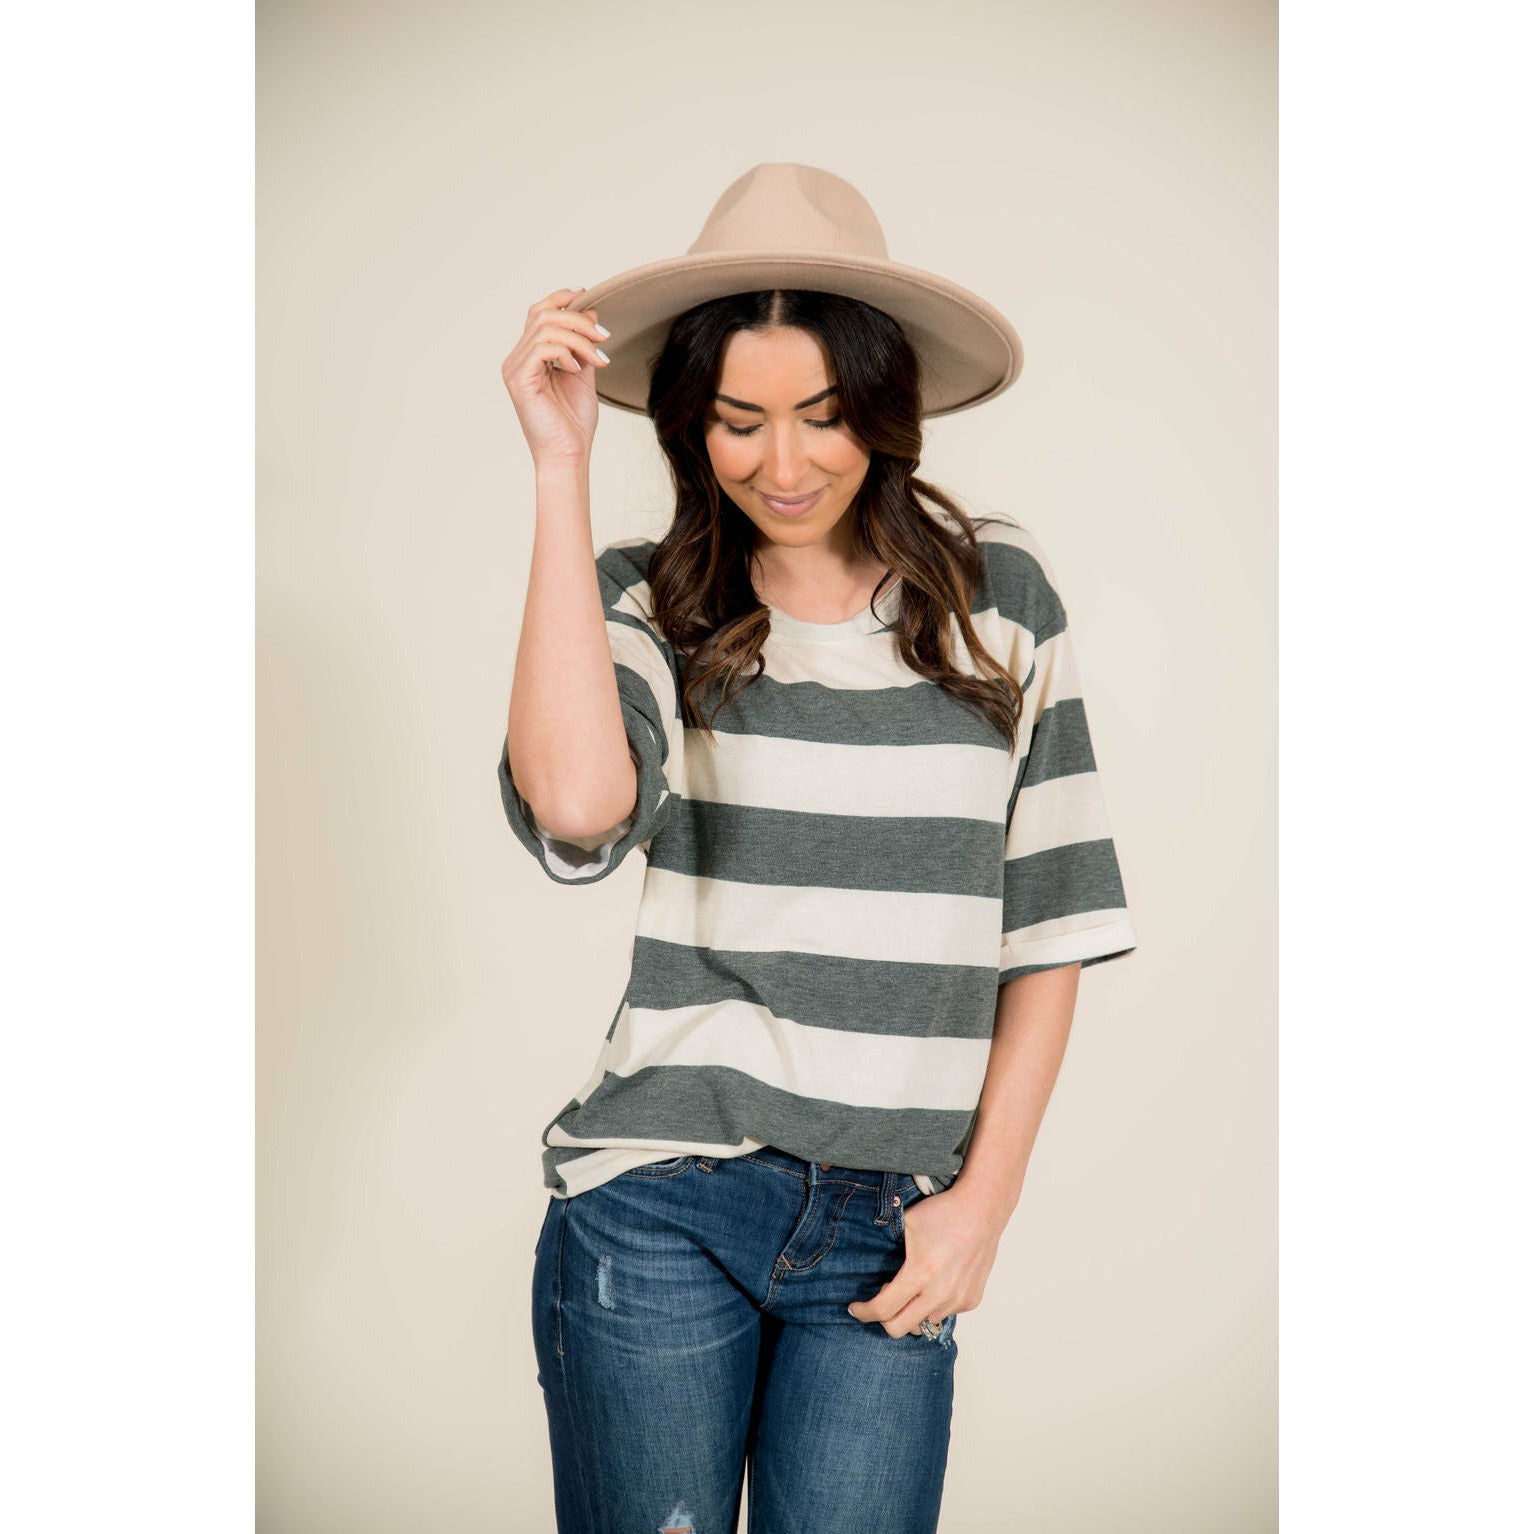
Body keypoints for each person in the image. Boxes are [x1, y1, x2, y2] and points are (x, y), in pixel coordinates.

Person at [496, 164, 1138, 1534]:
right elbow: (578, 804)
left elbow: (1050, 924)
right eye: (738, 422)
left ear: (883, 412)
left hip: (892, 1221)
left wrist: (984, 1203)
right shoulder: (649, 599)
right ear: (691, 424)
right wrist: (559, 468)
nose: (781, 467)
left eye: (823, 416)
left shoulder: (998, 601)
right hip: (662, 1197)